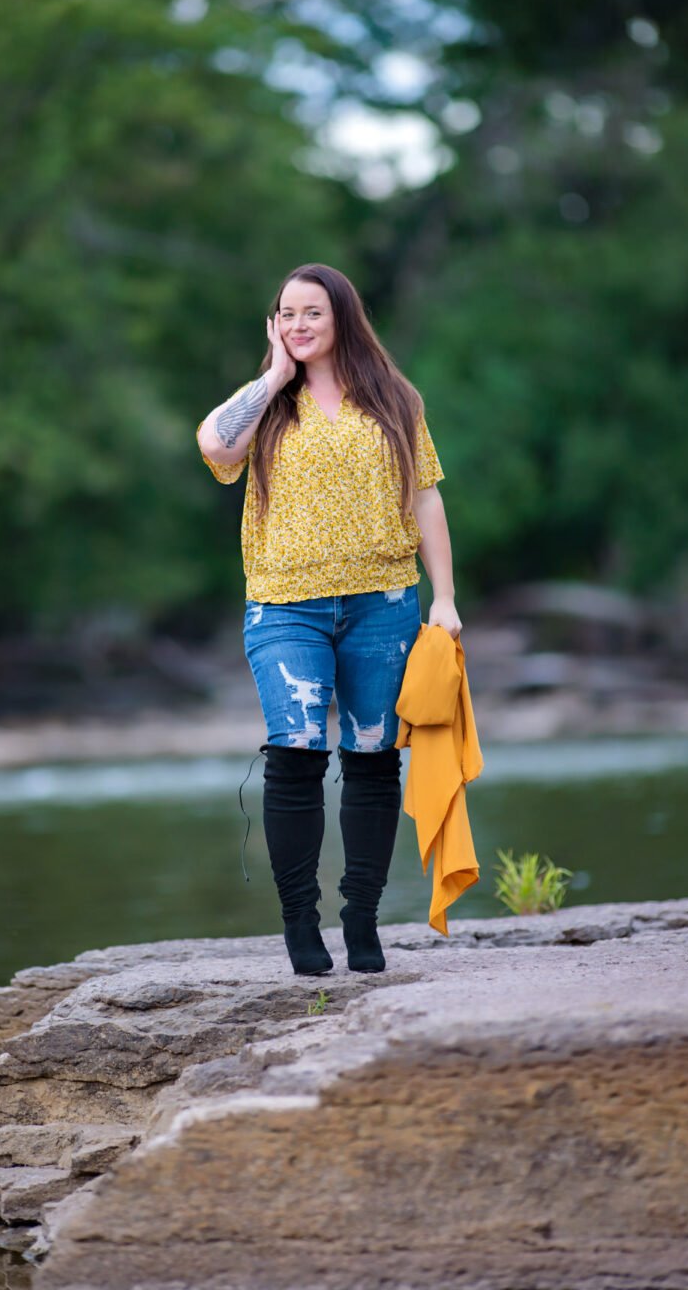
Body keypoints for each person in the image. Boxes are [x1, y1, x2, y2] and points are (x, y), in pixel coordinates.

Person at [196, 263, 462, 976]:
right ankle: (299, 926)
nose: (299, 324)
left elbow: (426, 499)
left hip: (382, 606)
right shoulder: (267, 407)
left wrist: (443, 598)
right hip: (286, 609)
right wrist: (272, 374)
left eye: (312, 312)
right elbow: (214, 446)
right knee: (296, 754)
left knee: (372, 761)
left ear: (342, 316)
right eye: (286, 313)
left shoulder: (394, 400)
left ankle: (363, 921)